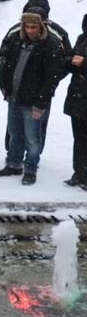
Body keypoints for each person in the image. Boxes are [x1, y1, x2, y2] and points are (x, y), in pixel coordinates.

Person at [0, 12, 64, 185]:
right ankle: (13, 163)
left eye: (34, 27)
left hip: (34, 101)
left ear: (40, 26)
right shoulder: (16, 40)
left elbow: (51, 78)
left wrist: (41, 102)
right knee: (14, 133)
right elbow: (6, 64)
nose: (30, 30)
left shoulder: (51, 45)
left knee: (32, 138)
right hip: (14, 96)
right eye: (27, 26)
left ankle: (31, 169)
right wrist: (4, 85)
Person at [0, 0, 71, 156]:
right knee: (24, 125)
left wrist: (51, 78)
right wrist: (6, 79)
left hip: (39, 88)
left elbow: (66, 61)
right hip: (21, 87)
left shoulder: (56, 33)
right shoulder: (18, 29)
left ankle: (26, 158)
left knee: (29, 126)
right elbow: (3, 56)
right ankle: (15, 156)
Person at [63, 14, 87, 191]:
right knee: (78, 138)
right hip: (78, 96)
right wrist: (70, 62)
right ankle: (78, 173)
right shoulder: (82, 39)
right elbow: (71, 59)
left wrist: (84, 62)